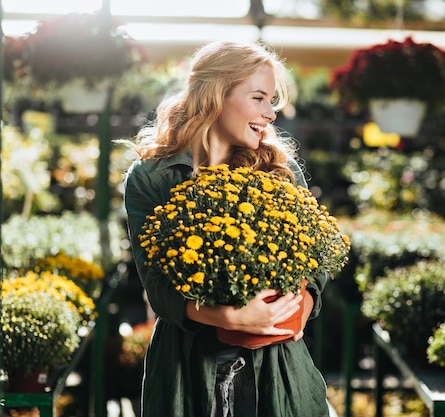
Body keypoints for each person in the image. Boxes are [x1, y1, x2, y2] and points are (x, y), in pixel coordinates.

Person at [123, 40, 331, 417]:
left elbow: (315, 265)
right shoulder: (152, 178)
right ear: (216, 94)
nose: (270, 113)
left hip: (276, 367)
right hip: (187, 373)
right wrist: (228, 318)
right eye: (258, 98)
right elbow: (155, 283)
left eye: (272, 100)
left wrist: (297, 312)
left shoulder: (281, 170)